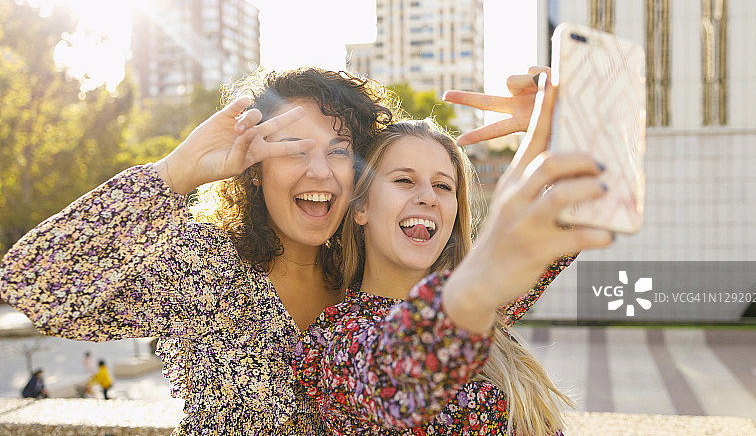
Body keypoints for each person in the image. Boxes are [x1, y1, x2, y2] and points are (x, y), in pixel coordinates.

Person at [0, 67, 394, 435]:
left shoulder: (365, 277)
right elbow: (35, 288)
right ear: (255, 169)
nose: (320, 171)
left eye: (339, 151)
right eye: (294, 149)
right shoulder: (207, 265)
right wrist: (176, 171)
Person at [296, 76, 614, 435]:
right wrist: (482, 279)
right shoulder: (333, 341)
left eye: (443, 186)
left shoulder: (482, 296)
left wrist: (562, 128)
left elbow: (588, 199)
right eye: (404, 180)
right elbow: (398, 382)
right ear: (361, 207)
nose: (428, 197)